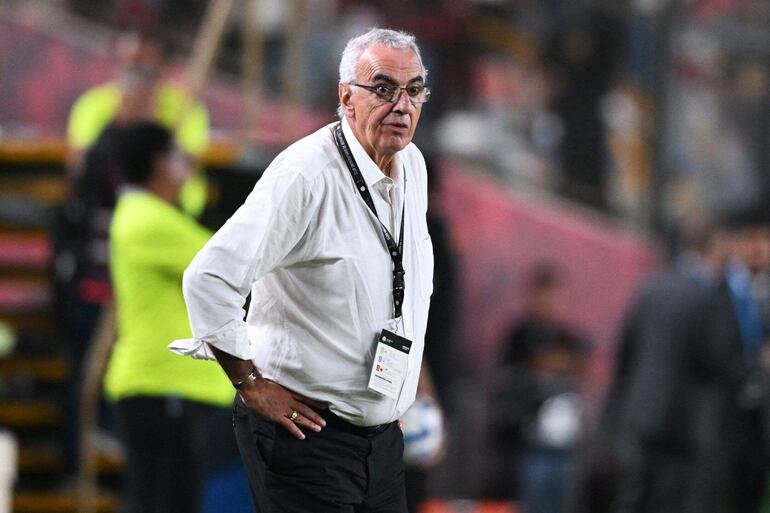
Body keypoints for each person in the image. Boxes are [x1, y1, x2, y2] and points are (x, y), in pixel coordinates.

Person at [170, 28, 435, 513]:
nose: (402, 104)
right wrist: (250, 384)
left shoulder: (412, 165)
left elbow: (405, 293)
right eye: (383, 89)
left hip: (380, 440)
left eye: (414, 90)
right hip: (306, 433)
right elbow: (208, 278)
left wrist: (403, 396)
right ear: (345, 96)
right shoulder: (305, 175)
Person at [103, 121, 240, 513]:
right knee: (164, 502)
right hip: (162, 384)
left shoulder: (149, 214)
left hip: (166, 387)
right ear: (159, 163)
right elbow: (226, 261)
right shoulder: (147, 220)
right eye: (180, 156)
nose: (189, 165)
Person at [495, 263, 590, 513]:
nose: (550, 302)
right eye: (544, 295)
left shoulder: (567, 336)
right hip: (528, 444)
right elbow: (510, 378)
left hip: (563, 445)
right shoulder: (519, 335)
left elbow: (580, 368)